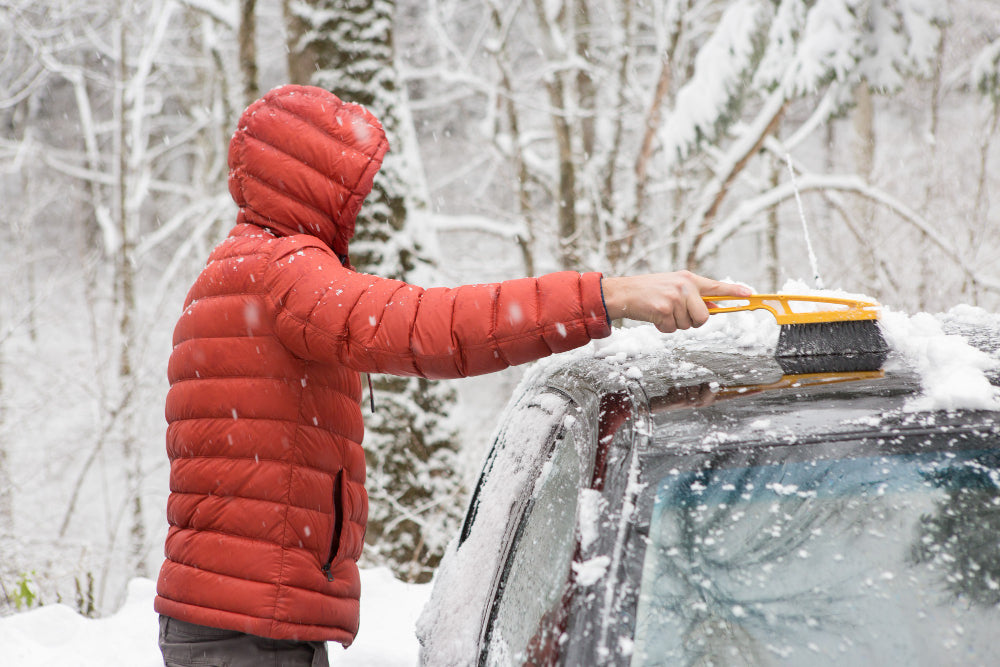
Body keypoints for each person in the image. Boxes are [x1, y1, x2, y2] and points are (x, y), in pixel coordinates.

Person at [153, 84, 751, 667]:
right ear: (314, 180)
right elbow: (426, 326)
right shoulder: (282, 271)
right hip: (247, 634)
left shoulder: (234, 271)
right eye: (352, 185)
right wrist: (608, 296)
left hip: (233, 619)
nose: (359, 205)